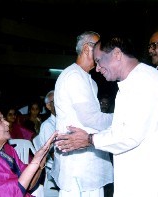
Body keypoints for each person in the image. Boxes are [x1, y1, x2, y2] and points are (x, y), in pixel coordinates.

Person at [55, 34, 158, 197]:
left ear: (117, 54)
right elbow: (120, 129)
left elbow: (129, 135)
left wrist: (89, 139)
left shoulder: (143, 81)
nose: (97, 68)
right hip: (140, 178)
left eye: (99, 60)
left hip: (155, 182)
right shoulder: (130, 83)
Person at [52, 31, 114, 197]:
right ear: (87, 49)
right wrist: (123, 118)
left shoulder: (89, 80)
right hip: (78, 163)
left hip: (87, 158)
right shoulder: (74, 76)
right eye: (100, 48)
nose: (103, 54)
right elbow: (92, 119)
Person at [37, 90, 57, 187]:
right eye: (55, 100)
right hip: (53, 168)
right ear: (48, 106)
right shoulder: (48, 125)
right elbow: (53, 154)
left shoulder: (64, 121)